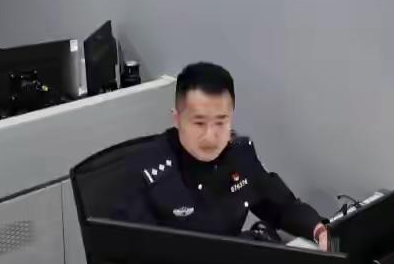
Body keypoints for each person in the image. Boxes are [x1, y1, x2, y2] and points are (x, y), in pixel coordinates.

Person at [115, 62, 329, 250]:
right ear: (177, 120)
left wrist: (317, 228)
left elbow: (281, 206)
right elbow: (136, 259)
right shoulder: (146, 172)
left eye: (221, 122)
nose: (210, 136)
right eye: (199, 123)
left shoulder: (240, 154)